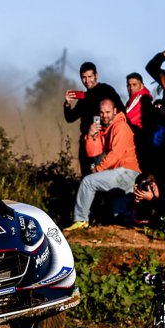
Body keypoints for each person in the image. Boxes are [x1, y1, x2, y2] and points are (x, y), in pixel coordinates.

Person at [64, 99, 140, 231]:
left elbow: (115, 154)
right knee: (118, 217)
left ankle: (81, 220)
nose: (104, 115)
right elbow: (93, 153)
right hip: (119, 174)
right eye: (102, 112)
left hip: (127, 173)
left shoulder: (120, 127)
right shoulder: (105, 129)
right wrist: (91, 136)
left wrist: (98, 170)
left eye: (108, 112)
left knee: (88, 182)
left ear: (115, 111)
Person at [64, 62, 125, 176]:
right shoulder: (84, 97)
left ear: (96, 75)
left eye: (90, 77)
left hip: (102, 143)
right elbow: (70, 118)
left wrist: (108, 129)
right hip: (85, 142)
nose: (87, 81)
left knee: (98, 177)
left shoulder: (106, 90)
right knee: (86, 178)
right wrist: (67, 103)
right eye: (84, 77)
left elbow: (121, 112)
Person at [125, 72, 155, 173]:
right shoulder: (132, 99)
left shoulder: (141, 98)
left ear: (141, 85)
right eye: (128, 85)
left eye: (134, 85)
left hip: (140, 138)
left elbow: (127, 115)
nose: (131, 88)